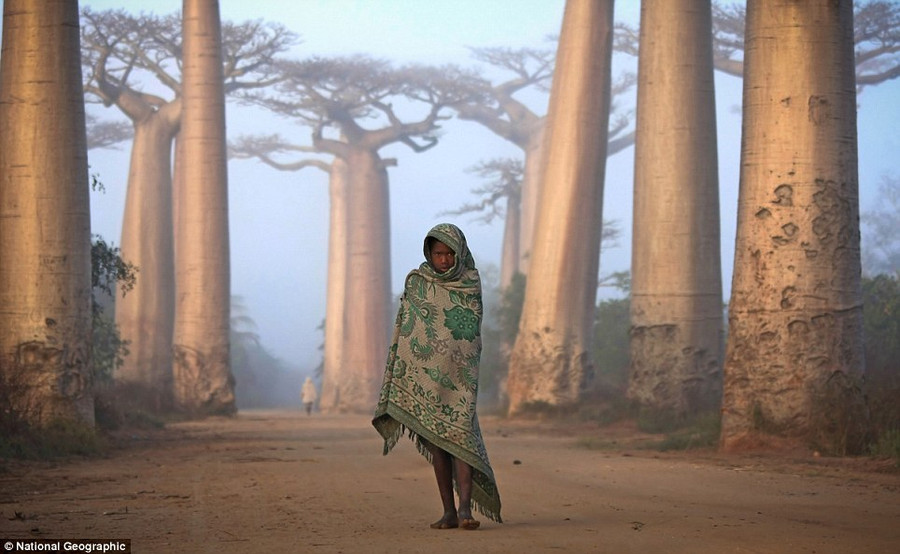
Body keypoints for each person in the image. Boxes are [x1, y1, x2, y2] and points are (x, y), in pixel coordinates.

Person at [373, 223, 502, 530]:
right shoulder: (417, 283)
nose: (443, 260)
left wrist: (453, 355)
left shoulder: (469, 281)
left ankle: (466, 510)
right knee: (438, 447)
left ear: (460, 253)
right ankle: (449, 512)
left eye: (449, 254)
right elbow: (406, 330)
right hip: (426, 380)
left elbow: (469, 330)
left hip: (460, 378)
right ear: (428, 253)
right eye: (438, 253)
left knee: (462, 439)